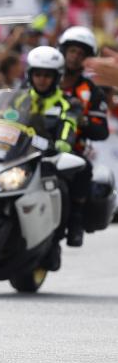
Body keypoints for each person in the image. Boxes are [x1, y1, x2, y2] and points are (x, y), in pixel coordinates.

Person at [14, 46, 80, 270]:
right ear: (30, 75)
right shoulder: (18, 99)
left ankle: (55, 239)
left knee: (61, 187)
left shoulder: (67, 104)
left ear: (57, 77)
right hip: (15, 159)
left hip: (47, 160)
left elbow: (68, 128)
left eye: (47, 75)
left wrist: (61, 144)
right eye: (38, 74)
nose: (42, 80)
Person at [58, 26, 109, 247]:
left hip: (71, 148)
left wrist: (83, 120)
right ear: (63, 52)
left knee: (83, 169)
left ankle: (76, 220)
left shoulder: (92, 91)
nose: (75, 57)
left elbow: (102, 130)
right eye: (72, 51)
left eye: (81, 54)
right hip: (34, 144)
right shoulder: (43, 79)